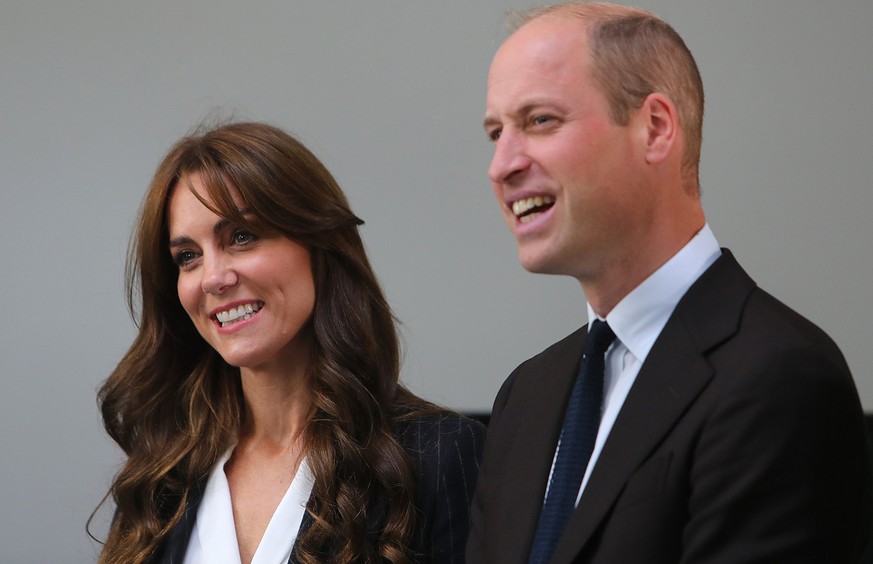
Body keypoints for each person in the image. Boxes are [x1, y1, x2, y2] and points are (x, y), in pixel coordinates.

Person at [467, 3, 872, 563]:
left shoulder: (781, 379)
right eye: (495, 131)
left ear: (655, 128)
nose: (501, 164)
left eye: (540, 120)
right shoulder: (526, 397)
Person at [96, 121, 485, 564]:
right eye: (188, 257)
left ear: (320, 244)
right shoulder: (162, 477)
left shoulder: (439, 456)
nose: (214, 278)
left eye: (242, 237)